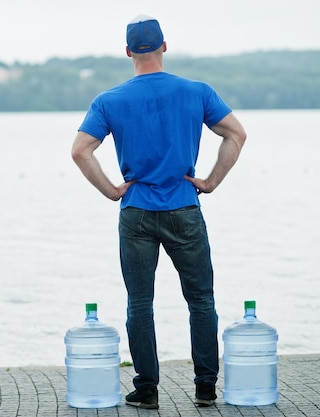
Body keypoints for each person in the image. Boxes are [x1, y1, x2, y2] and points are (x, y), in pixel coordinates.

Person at [71, 15, 247, 409]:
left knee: (140, 303)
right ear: (164, 47)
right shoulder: (197, 91)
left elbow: (80, 150)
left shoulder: (109, 100)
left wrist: (113, 191)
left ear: (128, 52)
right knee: (201, 300)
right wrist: (212, 180)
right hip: (185, 207)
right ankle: (205, 389)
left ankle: (147, 389)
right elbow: (237, 133)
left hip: (136, 213)